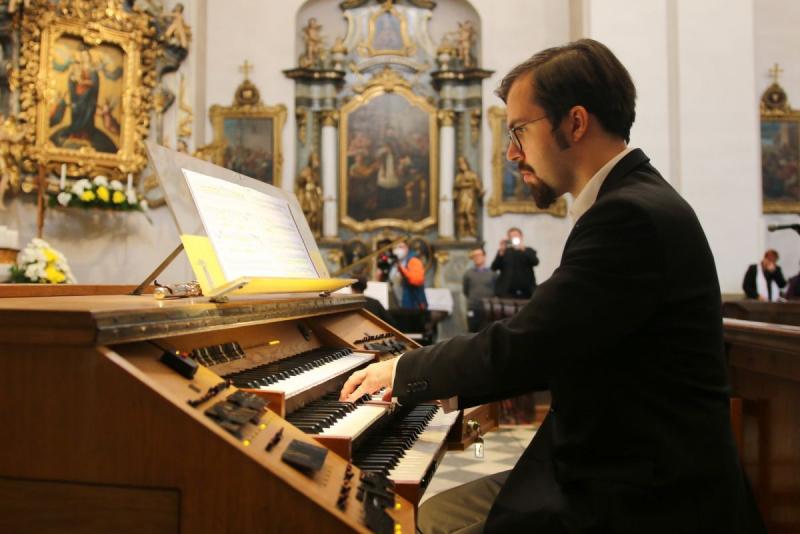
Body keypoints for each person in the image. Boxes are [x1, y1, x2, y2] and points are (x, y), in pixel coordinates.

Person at [340, 39, 764, 533]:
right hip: (612, 462)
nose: (511, 152)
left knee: (424, 521)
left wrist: (402, 372)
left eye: (519, 130)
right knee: (430, 511)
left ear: (575, 123)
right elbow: (555, 339)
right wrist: (443, 387)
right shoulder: (627, 201)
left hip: (649, 495)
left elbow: (531, 342)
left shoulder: (630, 216)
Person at [491, 227, 539, 298]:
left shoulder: (529, 250)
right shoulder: (505, 252)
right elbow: (494, 267)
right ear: (508, 238)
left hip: (527, 291)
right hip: (507, 291)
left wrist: (524, 250)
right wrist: (501, 252)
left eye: (516, 235)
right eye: (511, 236)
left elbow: (535, 262)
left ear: (521, 236)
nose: (514, 238)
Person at [462, 247, 496, 333]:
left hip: (488, 308)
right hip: (473, 307)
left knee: (487, 331)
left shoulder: (493, 274)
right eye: (474, 256)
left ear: (484, 256)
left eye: (479, 255)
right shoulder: (468, 274)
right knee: (472, 331)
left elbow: (496, 290)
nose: (476, 257)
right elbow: (465, 290)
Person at [388, 239, 427, 310]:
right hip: (397, 304)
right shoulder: (393, 263)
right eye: (395, 247)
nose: (397, 249)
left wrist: (402, 270)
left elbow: (417, 280)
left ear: (407, 248)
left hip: (412, 305)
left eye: (401, 247)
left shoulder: (414, 261)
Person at [454, 156, 484, 239]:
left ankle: (472, 231)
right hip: (461, 196)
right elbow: (456, 185)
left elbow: (477, 185)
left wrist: (480, 191)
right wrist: (467, 184)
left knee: (469, 213)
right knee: (461, 214)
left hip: (470, 196)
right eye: (460, 164)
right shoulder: (459, 176)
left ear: (466, 164)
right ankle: (462, 232)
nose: (461, 165)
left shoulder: (473, 174)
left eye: (463, 163)